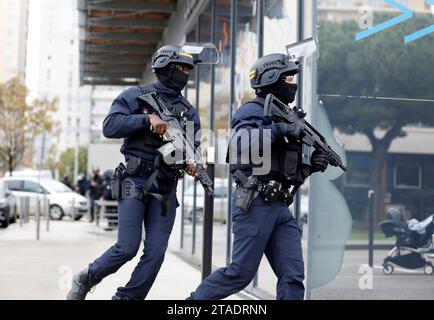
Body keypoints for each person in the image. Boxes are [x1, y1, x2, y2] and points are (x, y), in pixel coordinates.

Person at [187, 53, 330, 300]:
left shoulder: (287, 114)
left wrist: (312, 165)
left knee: (293, 275)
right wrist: (280, 129)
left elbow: (284, 170)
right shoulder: (252, 110)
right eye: (287, 77)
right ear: (271, 79)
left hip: (280, 207)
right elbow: (240, 143)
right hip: (255, 203)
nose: (292, 82)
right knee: (240, 274)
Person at [67, 45, 201, 300]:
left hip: (166, 188)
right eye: (181, 68)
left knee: (156, 254)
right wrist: (146, 121)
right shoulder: (136, 96)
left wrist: (194, 164)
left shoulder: (189, 111)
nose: (185, 73)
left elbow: (194, 148)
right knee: (127, 247)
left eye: (188, 69)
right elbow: (109, 126)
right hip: (135, 181)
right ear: (164, 68)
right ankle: (86, 277)